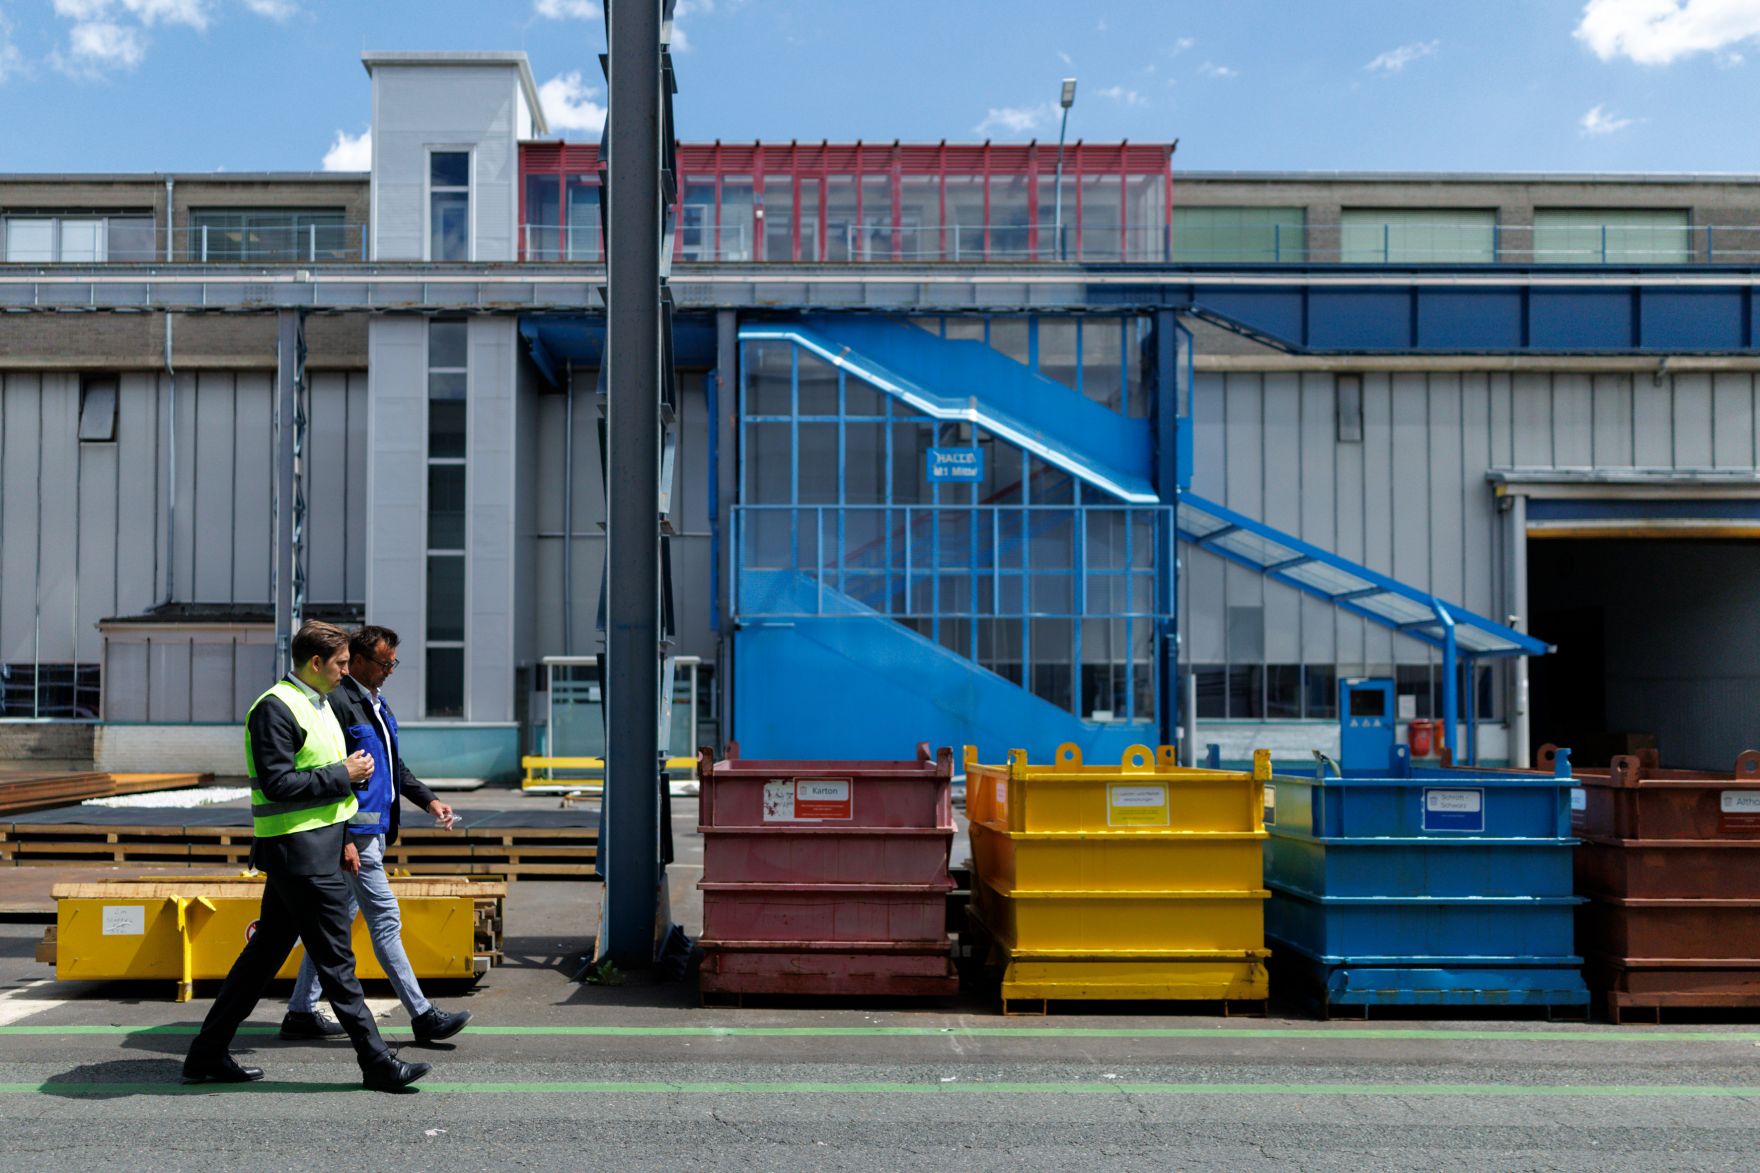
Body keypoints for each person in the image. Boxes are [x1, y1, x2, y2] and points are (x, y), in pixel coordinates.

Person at [182, 620, 429, 1092]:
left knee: (263, 958)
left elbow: (327, 789)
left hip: (315, 849)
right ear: (315, 663)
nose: (344, 672)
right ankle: (377, 1062)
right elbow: (278, 784)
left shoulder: (315, 704)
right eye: (339, 664)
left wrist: (345, 838)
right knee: (337, 964)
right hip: (300, 855)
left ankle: (206, 1053)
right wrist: (345, 772)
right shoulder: (274, 709)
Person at [281, 624, 472, 1045]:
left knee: (334, 925)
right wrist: (345, 837)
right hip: (355, 836)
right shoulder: (338, 704)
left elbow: (392, 767)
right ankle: (422, 1014)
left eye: (393, 663)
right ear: (359, 661)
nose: (389, 670)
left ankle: (299, 1011)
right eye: (383, 663)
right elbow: (335, 771)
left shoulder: (376, 704)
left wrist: (429, 801)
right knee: (385, 918)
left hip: (374, 832)